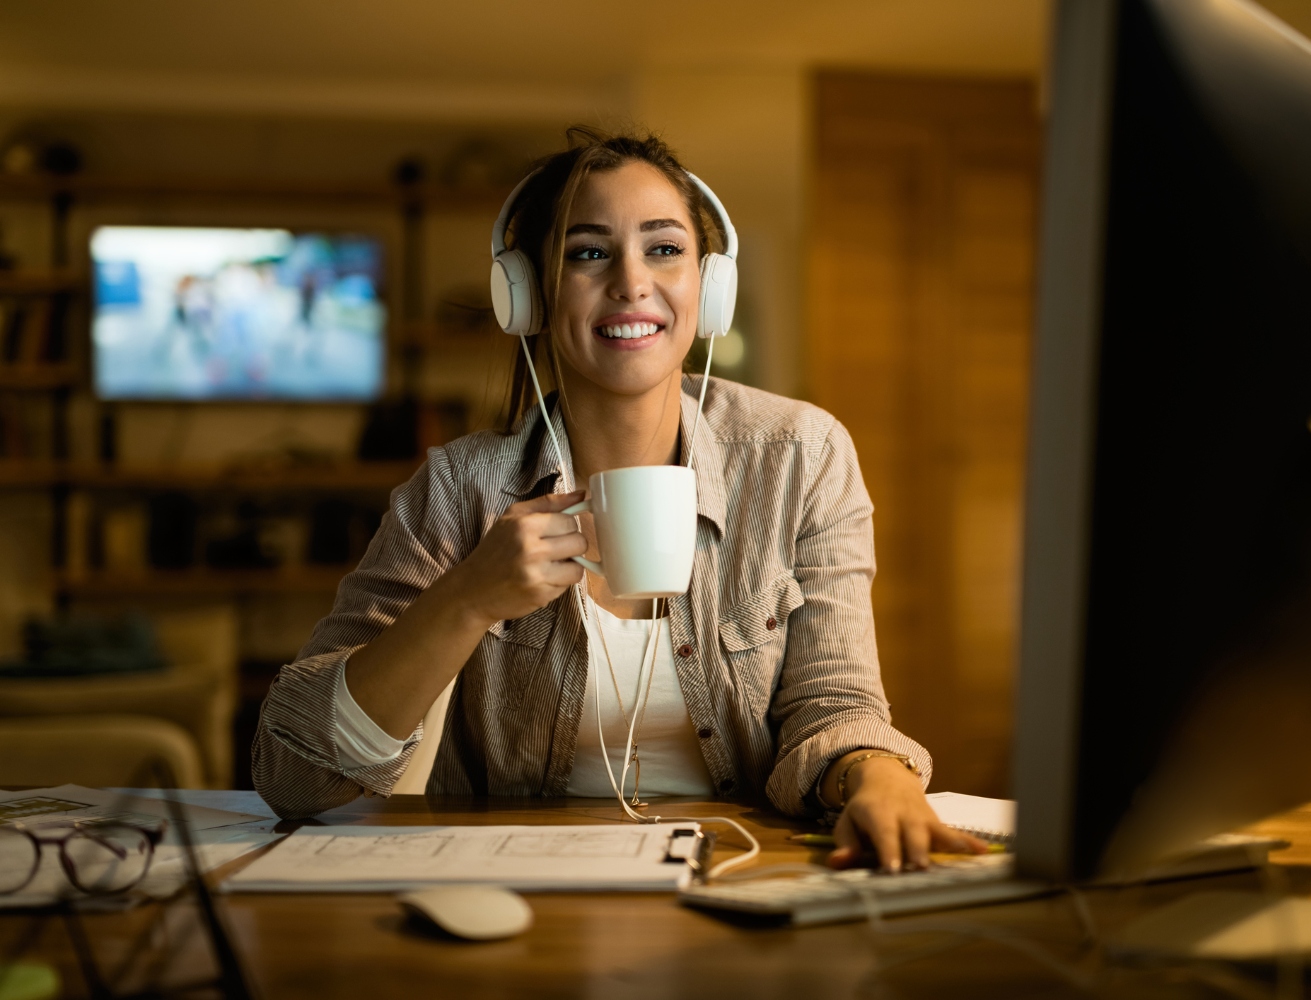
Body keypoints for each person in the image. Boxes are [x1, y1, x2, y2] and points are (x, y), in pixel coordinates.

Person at [252, 127, 983, 872]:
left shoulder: (802, 456)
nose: (632, 282)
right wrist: (466, 598)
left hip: (744, 872)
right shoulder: (458, 488)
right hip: (519, 890)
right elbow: (293, 776)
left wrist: (880, 778)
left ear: (711, 284)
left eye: (664, 248)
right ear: (529, 293)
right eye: (588, 252)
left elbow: (836, 705)